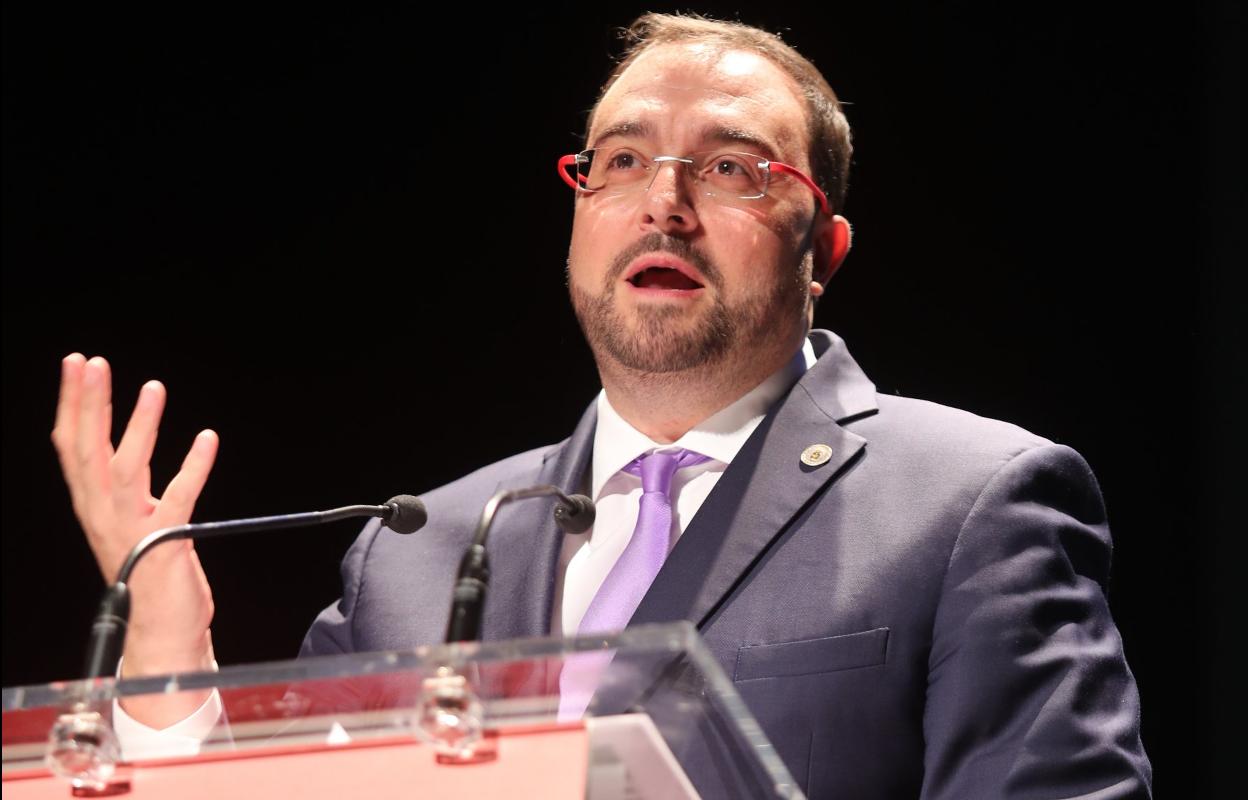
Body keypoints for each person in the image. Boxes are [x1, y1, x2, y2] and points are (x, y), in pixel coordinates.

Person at [51, 13, 1151, 798]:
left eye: (732, 170)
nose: (662, 204)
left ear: (826, 249)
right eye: (622, 160)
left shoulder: (971, 503)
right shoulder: (419, 551)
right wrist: (166, 648)